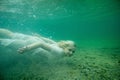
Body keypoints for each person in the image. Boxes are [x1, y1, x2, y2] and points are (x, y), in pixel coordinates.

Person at [0, 28, 76, 57]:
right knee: (3, 42)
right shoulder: (59, 52)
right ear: (64, 47)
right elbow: (41, 44)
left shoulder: (59, 46)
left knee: (11, 34)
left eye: (73, 51)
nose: (71, 53)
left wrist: (40, 37)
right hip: (32, 44)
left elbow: (49, 41)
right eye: (70, 50)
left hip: (34, 40)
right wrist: (27, 48)